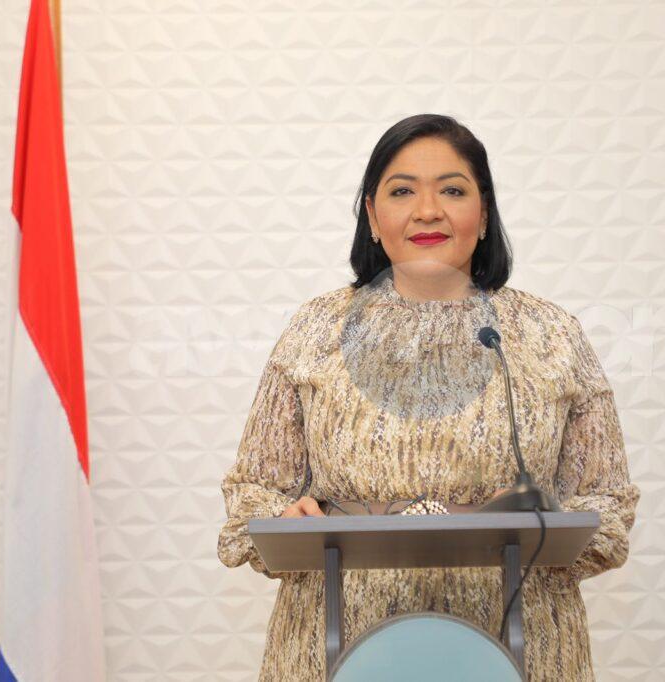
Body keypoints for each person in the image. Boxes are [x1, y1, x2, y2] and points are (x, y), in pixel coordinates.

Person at [217, 113, 640, 681]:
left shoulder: (551, 333)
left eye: (452, 190)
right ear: (373, 216)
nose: (427, 211)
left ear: (484, 213)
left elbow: (607, 503)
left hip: (523, 646)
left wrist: (549, 520)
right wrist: (285, 515)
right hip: (335, 646)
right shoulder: (315, 329)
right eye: (402, 192)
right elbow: (253, 491)